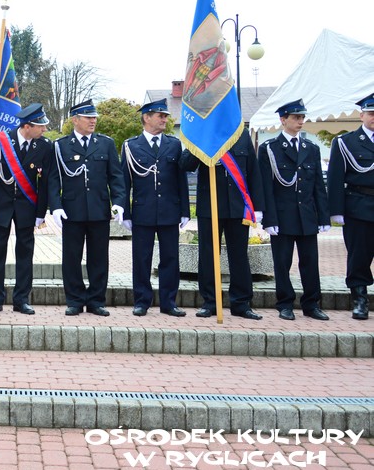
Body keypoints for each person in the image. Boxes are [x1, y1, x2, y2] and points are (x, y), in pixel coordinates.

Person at [48, 99, 126, 316]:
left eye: (94, 117)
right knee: (71, 258)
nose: (93, 121)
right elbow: (53, 179)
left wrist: (119, 202)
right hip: (71, 211)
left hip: (99, 210)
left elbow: (116, 177)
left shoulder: (106, 143)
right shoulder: (61, 145)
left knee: (99, 258)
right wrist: (55, 206)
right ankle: (74, 300)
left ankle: (96, 301)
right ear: (75, 120)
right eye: (88, 117)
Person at [181, 127, 265, 319]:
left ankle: (241, 303)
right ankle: (210, 302)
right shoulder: (204, 132)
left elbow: (253, 170)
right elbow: (185, 164)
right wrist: (201, 141)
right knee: (208, 255)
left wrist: (258, 206)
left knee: (239, 256)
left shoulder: (241, 134)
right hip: (210, 205)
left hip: (237, 206)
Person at [258, 99, 330, 321]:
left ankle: (311, 304)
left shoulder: (311, 148)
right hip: (282, 215)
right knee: (282, 262)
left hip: (306, 215)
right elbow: (266, 187)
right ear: (283, 120)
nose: (300, 121)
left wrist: (323, 216)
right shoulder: (269, 149)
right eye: (296, 117)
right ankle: (285, 303)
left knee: (310, 262)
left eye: (302, 117)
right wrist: (269, 219)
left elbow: (318, 185)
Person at [0, 103, 52, 315]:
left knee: (25, 255)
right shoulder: (0, 141)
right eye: (40, 126)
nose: (44, 129)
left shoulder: (45, 146)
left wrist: (41, 212)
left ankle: (21, 300)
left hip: (27, 207)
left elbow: (45, 182)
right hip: (1, 205)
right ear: (27, 126)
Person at [121, 98, 190, 317]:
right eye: (160, 116)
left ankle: (169, 302)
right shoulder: (131, 146)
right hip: (143, 211)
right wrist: (125, 212)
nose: (164, 120)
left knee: (170, 258)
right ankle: (142, 301)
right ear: (146, 117)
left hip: (169, 210)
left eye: (165, 116)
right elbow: (125, 182)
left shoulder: (174, 144)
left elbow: (181, 179)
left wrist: (185, 210)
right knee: (142, 258)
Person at [327, 92, 374, 320]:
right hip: (359, 206)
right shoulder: (346, 142)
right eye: (371, 113)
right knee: (359, 257)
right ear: (361, 115)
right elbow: (335, 178)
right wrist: (336, 211)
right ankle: (360, 299)